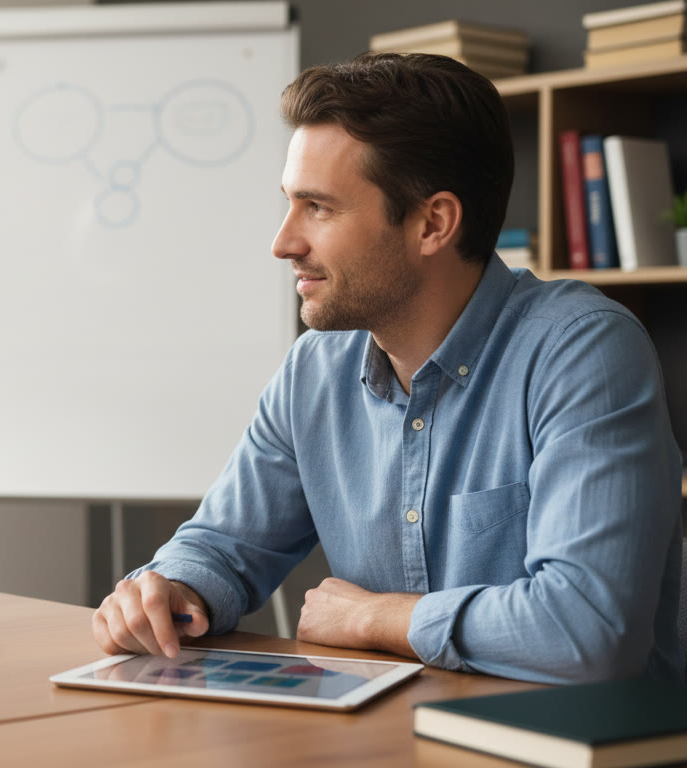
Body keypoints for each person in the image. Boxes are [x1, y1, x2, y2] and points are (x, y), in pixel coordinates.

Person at [92, 53, 684, 684]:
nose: (284, 242)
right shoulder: (314, 371)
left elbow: (588, 632)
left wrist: (375, 618)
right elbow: (223, 547)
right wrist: (169, 591)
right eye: (290, 203)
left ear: (433, 224)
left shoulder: (582, 350)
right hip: (392, 737)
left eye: (318, 207)